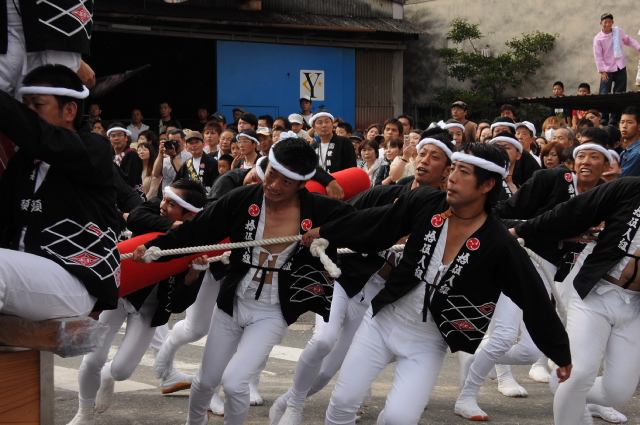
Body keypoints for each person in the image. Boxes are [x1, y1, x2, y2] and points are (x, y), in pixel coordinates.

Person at [302, 142, 571, 425]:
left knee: (399, 419)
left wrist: (561, 354)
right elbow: (377, 223)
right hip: (382, 322)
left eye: (463, 172)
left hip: (429, 340)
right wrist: (327, 232)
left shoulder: (500, 244)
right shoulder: (425, 202)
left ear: (487, 184)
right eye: (453, 169)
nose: (451, 177)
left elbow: (534, 299)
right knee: (343, 402)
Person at [132, 137, 355, 425]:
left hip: (273, 311)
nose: (274, 185)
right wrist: (156, 249)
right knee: (205, 381)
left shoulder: (320, 210)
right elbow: (197, 230)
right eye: (272, 173)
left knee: (236, 383)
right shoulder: (242, 199)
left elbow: (366, 224)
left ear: (302, 184)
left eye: (286, 181)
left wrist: (330, 233)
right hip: (232, 303)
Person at [270, 131, 456, 425]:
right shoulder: (386, 193)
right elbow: (345, 218)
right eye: (422, 153)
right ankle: (294, 406)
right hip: (344, 277)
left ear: (447, 171)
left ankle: (289, 398)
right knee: (323, 340)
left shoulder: (446, 216)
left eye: (435, 157)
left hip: (377, 295)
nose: (424, 161)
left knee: (330, 368)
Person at [66, 179, 207, 425]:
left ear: (189, 213)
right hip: (120, 292)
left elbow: (178, 305)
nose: (163, 205)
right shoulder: (153, 209)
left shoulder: (196, 246)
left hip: (150, 308)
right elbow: (136, 218)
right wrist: (177, 227)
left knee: (122, 370)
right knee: (93, 358)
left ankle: (108, 375)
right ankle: (84, 412)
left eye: (171, 204)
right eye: (165, 199)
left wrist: (192, 275)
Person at [510, 176, 640, 425]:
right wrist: (518, 231)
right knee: (579, 373)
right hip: (594, 293)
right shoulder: (631, 188)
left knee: (619, 391)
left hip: (634, 307)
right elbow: (573, 211)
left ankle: (569, 391)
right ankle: (571, 389)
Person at [0, 64, 119, 321]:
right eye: (24, 105)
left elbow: (42, 137)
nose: (27, 113)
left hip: (75, 278)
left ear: (70, 110)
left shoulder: (95, 148)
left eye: (37, 105)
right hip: (25, 275)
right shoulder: (22, 162)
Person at [594, 12, 640, 125]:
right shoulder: (598, 38)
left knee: (620, 93)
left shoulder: (618, 31)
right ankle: (604, 118)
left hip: (620, 66)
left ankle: (615, 118)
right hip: (607, 70)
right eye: (605, 22)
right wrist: (602, 71)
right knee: (604, 94)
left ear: (613, 22)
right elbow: (598, 56)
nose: (607, 24)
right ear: (601, 23)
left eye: (609, 22)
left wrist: (639, 47)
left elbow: (628, 40)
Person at [310, 110, 356, 197]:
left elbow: (351, 168)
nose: (324, 125)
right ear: (314, 127)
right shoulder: (312, 147)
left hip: (342, 189)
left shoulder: (344, 142)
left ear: (332, 125)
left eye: (327, 121)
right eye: (320, 122)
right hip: (319, 193)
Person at [108, 122, 143, 190]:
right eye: (113, 136)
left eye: (120, 135)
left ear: (126, 138)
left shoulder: (131, 154)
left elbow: (130, 182)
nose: (116, 138)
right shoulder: (110, 156)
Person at [619, 106, 640, 177]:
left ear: (639, 126)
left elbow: (620, 179)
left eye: (630, 122)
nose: (624, 126)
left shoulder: (636, 154)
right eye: (622, 122)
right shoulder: (627, 151)